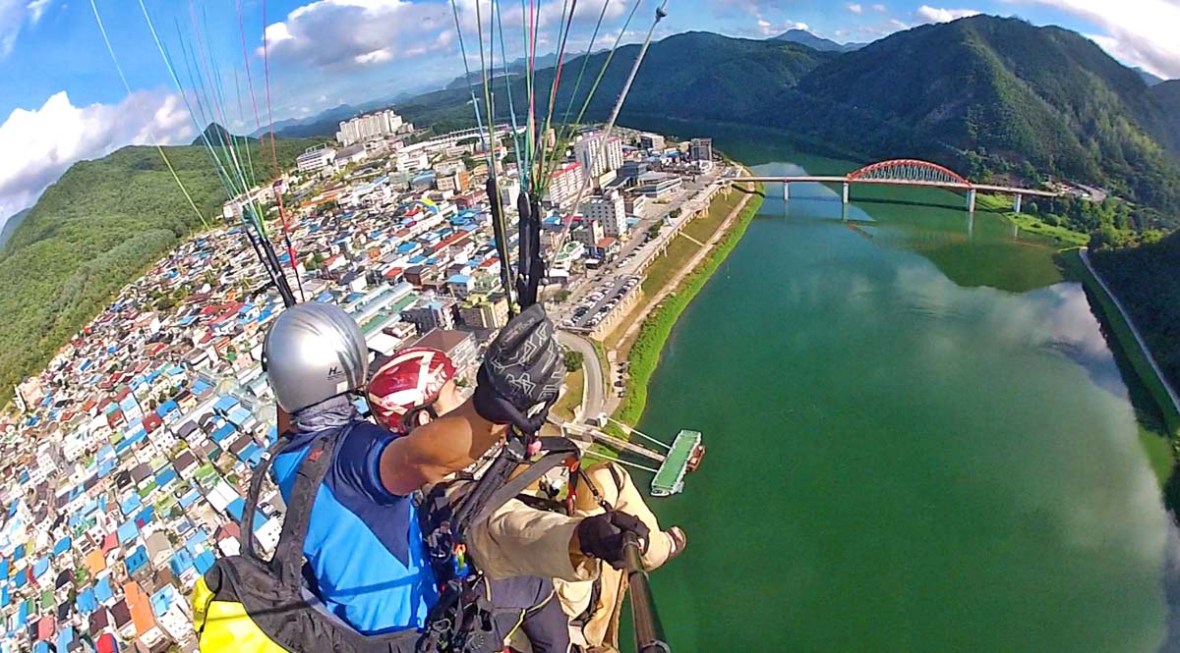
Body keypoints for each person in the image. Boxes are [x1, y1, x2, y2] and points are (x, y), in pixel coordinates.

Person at [261, 302, 645, 651]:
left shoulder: (290, 458)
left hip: (366, 637)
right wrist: (496, 407)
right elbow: (418, 458)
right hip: (423, 633)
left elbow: (291, 410)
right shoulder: (352, 455)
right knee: (532, 583)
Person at [367, 345, 686, 652]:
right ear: (425, 422)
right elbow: (504, 528)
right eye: (455, 395)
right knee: (608, 478)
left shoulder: (403, 488)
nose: (463, 400)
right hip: (542, 596)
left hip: (496, 602)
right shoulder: (446, 498)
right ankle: (655, 550)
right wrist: (583, 537)